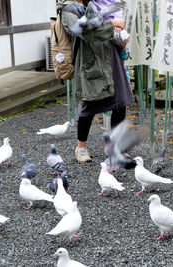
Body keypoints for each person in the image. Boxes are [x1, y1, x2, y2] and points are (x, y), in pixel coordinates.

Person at [57, 0, 133, 163]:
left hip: (109, 58)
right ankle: (81, 147)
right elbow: (87, 34)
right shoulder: (68, 10)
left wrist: (120, 38)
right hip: (91, 63)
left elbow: (103, 28)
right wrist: (112, 24)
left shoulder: (88, 5)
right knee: (90, 105)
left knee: (120, 103)